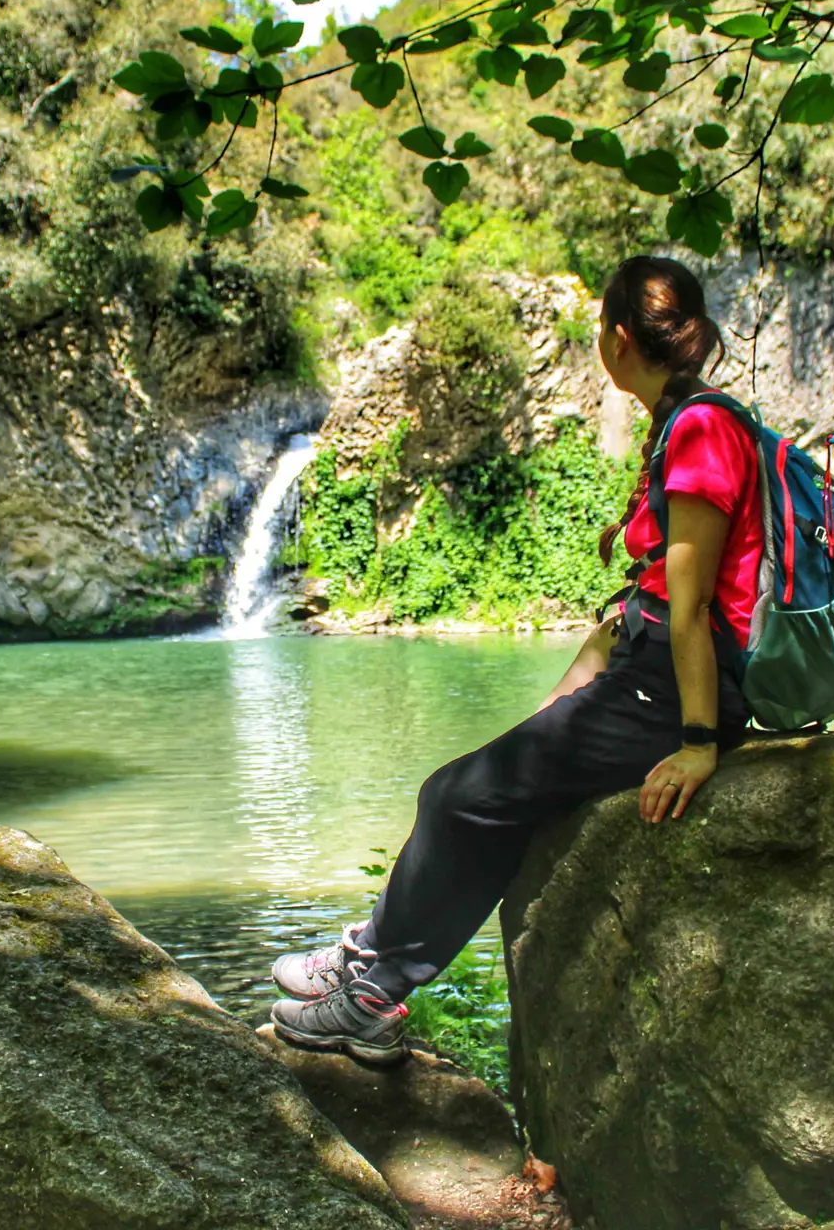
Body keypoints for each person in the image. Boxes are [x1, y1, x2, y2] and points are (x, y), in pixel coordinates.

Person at [269, 255, 765, 1063]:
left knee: (456, 798)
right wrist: (559, 706)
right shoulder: (680, 421)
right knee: (469, 790)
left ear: (616, 338)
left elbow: (693, 605)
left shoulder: (703, 429)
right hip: (648, 679)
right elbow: (634, 611)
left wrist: (700, 744)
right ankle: (368, 958)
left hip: (679, 690)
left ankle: (370, 993)